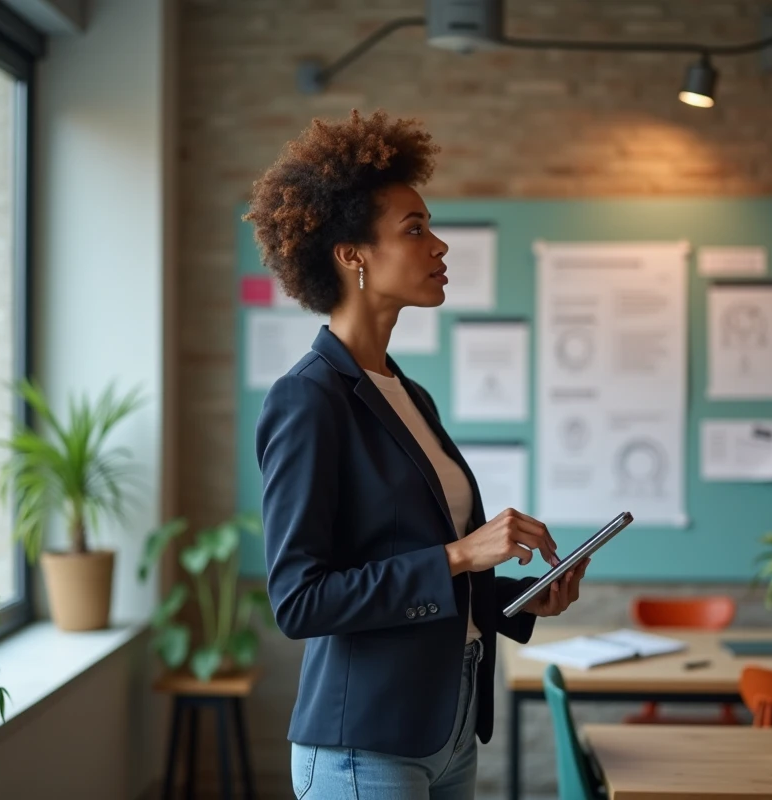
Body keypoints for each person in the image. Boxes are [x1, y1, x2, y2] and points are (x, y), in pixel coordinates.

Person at [246, 109, 590, 800]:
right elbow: (300, 600)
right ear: (352, 255)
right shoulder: (308, 399)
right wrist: (463, 555)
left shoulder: (409, 395)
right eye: (415, 230)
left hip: (447, 727)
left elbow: (413, 575)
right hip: (362, 744)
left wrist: (518, 601)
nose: (439, 246)